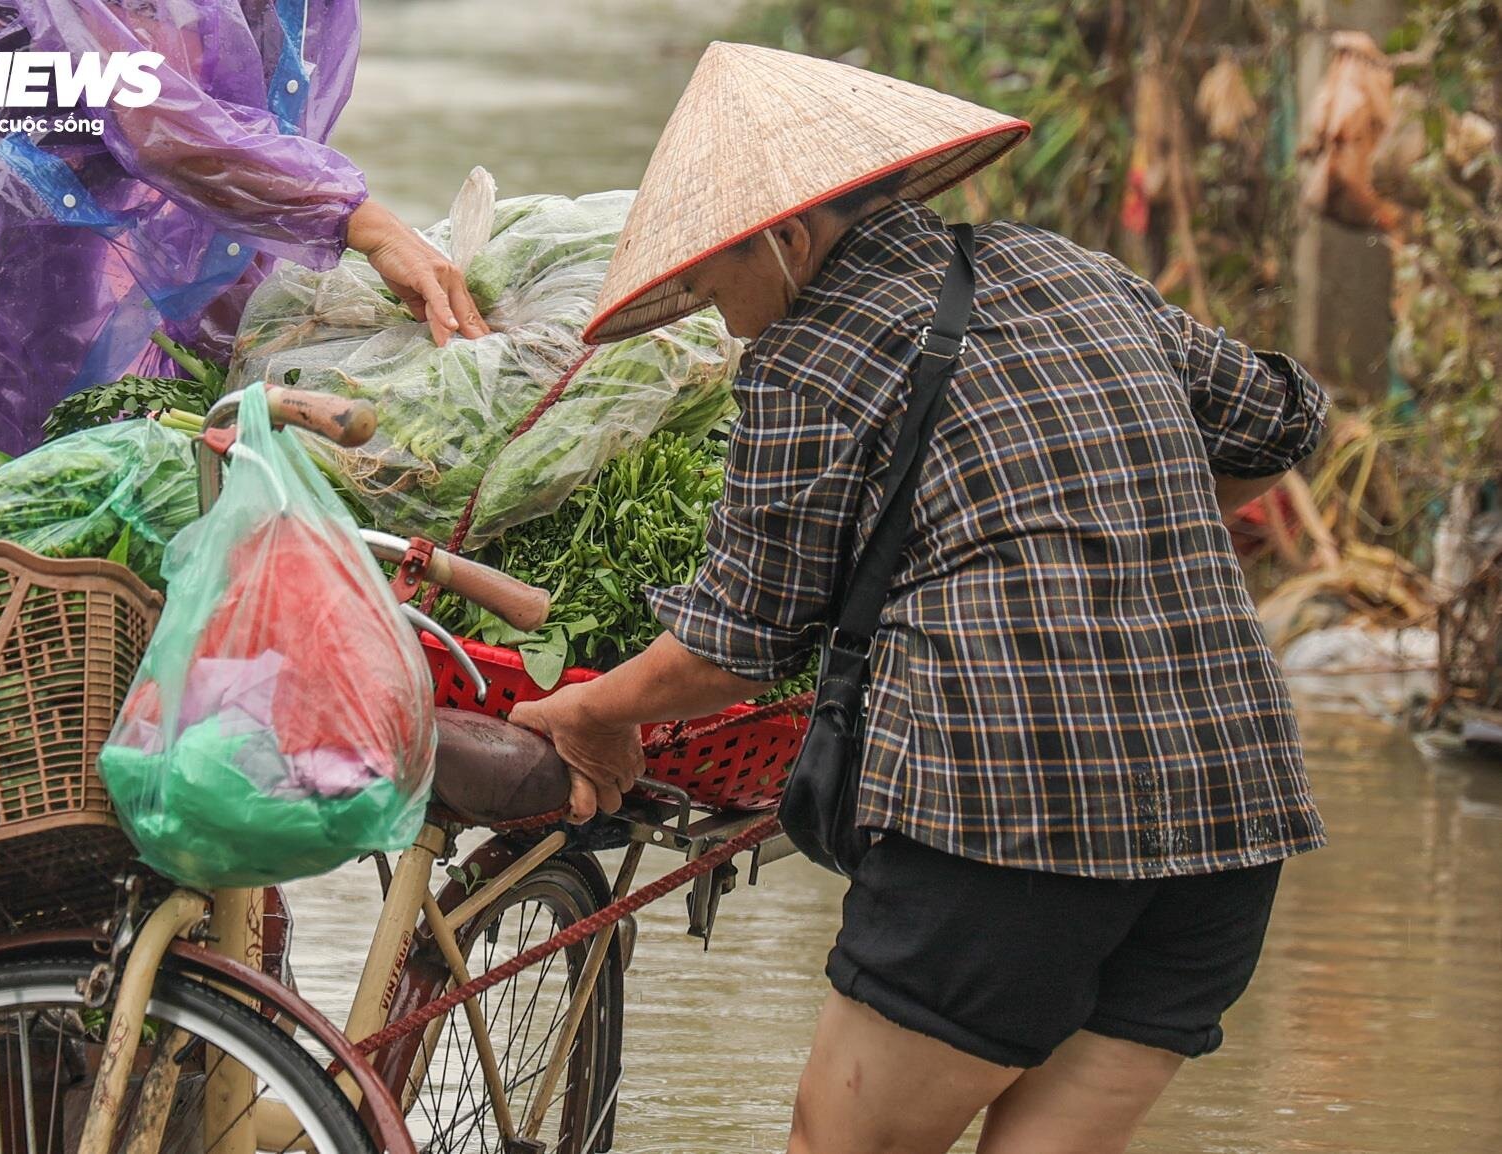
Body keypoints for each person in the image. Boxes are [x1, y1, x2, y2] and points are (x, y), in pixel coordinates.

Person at [510, 42, 1329, 1154]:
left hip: (1011, 818)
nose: (718, 315)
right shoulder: (1072, 270)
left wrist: (591, 709)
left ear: (785, 238)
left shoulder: (807, 355)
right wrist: (1144, 518)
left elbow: (738, 643)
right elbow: (1283, 419)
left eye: (712, 284)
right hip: (1228, 815)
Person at [0, 0, 486, 588]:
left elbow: (251, 138)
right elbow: (148, 108)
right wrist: (363, 223)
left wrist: (242, 350)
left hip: (32, 215)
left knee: (20, 510)